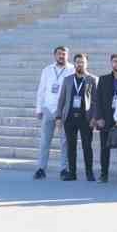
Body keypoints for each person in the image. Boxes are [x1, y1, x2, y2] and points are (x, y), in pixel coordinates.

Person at [54, 52, 97, 181]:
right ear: (74, 64)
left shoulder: (92, 79)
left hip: (85, 118)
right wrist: (58, 117)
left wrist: (94, 117)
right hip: (70, 118)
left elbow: (95, 101)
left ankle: (89, 173)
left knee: (87, 146)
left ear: (86, 63)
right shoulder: (67, 79)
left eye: (82, 62)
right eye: (78, 62)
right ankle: (72, 173)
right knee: (71, 146)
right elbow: (61, 99)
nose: (80, 64)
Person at [33, 47, 72, 180]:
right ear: (54, 55)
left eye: (64, 54)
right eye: (59, 54)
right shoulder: (47, 70)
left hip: (63, 110)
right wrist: (39, 109)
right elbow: (41, 90)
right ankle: (41, 169)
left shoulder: (72, 69)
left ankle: (64, 169)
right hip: (48, 109)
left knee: (64, 141)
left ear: (68, 55)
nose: (61, 56)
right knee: (45, 141)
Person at [91, 52, 117, 182]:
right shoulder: (104, 79)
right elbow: (97, 100)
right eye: (115, 61)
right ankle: (104, 174)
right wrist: (98, 117)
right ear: (111, 63)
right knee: (104, 148)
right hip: (106, 118)